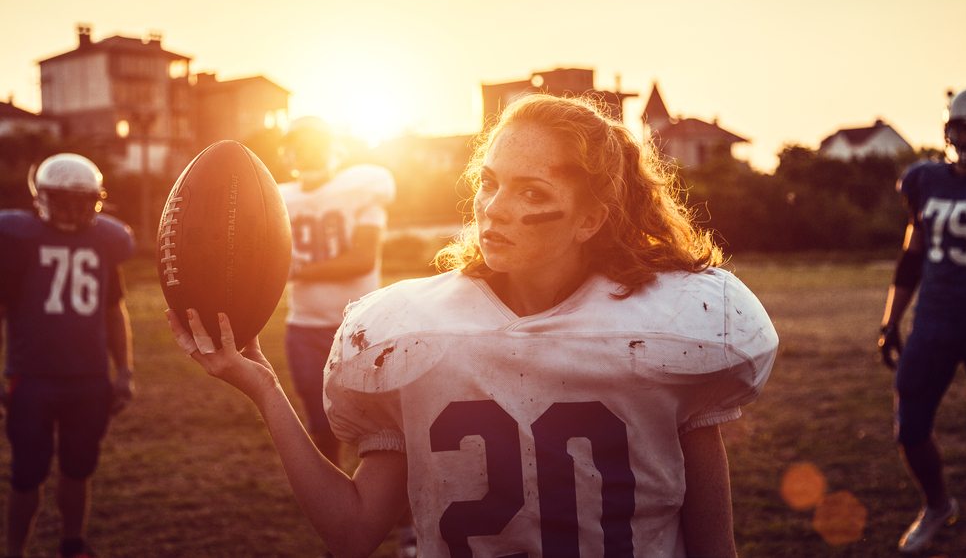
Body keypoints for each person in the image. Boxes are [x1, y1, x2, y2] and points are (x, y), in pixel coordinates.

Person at [168, 93, 778, 557]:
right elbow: (353, 531)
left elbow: (712, 546)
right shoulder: (412, 330)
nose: (494, 208)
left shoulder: (674, 329)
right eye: (489, 183)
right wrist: (264, 390)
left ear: (591, 218)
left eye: (529, 191)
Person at [879, 87, 966, 558]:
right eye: (963, 127)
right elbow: (912, 254)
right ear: (949, 129)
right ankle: (937, 505)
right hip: (935, 320)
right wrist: (891, 320)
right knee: (910, 426)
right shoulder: (924, 179)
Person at [0, 153, 136, 558]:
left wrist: (124, 370)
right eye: (63, 199)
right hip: (32, 377)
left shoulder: (106, 241)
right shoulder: (18, 240)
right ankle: (13, 551)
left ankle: (72, 543)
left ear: (95, 200)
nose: (73, 209)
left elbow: (114, 311)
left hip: (89, 378)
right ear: (41, 197)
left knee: (79, 467)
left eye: (82, 201)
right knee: (27, 473)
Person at [276, 116, 396, 467]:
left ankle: (400, 514)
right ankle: (338, 499)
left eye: (315, 143)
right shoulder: (279, 197)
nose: (308, 153)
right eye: (300, 145)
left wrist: (297, 270)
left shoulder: (363, 187)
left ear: (333, 149)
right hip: (303, 326)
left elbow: (361, 260)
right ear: (288, 152)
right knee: (321, 423)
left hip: (361, 326)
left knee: (382, 429)